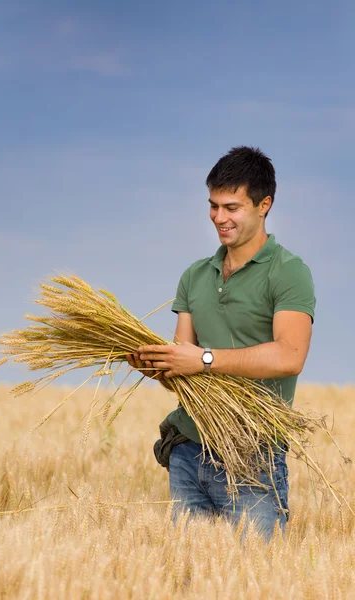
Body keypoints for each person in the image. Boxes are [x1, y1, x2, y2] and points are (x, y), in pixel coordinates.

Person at [127, 146, 316, 541]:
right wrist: (157, 366)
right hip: (188, 450)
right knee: (191, 575)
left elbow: (291, 355)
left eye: (231, 207)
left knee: (257, 578)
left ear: (264, 205)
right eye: (213, 205)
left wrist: (205, 359)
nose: (218, 217)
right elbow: (186, 369)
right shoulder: (195, 276)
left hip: (253, 454)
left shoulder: (289, 272)